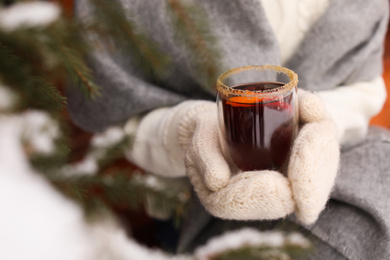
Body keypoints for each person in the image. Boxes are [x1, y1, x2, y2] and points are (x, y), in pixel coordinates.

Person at [67, 0, 390, 259]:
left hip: (349, 158)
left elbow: (365, 86)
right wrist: (188, 131)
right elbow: (117, 115)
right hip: (193, 206)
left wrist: (318, 124)